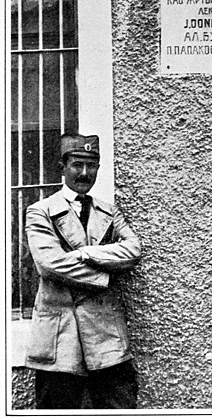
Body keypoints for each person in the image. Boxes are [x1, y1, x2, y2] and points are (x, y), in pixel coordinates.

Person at [25, 133, 141, 409]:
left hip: (106, 336)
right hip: (59, 335)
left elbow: (133, 250)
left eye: (92, 165)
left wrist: (86, 253)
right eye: (77, 164)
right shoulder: (40, 212)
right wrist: (106, 274)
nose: (85, 173)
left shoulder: (109, 212)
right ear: (62, 166)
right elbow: (50, 264)